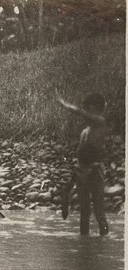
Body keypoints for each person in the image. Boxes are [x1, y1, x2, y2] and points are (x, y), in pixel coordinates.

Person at [59, 94, 109, 236]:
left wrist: (65, 105)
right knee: (84, 211)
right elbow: (80, 157)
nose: (86, 109)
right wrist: (72, 180)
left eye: (89, 107)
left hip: (95, 169)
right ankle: (84, 243)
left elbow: (82, 114)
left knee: (99, 210)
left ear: (97, 108)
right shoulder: (85, 132)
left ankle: (104, 239)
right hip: (82, 169)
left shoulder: (101, 122)